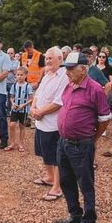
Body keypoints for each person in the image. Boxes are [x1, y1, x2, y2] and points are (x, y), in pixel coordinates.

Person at [54, 52, 112, 223]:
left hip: (82, 144)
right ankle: (75, 215)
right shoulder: (69, 85)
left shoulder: (95, 89)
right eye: (66, 69)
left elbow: (104, 119)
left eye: (71, 69)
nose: (67, 72)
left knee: (85, 184)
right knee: (66, 180)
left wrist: (92, 139)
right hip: (64, 142)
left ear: (83, 69)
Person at [30, 47, 66, 201]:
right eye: (46, 58)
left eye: (51, 58)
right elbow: (37, 94)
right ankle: (50, 177)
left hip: (53, 124)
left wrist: (40, 112)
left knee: (56, 156)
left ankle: (57, 187)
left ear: (60, 59)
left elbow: (58, 102)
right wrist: (33, 108)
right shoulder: (46, 75)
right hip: (41, 122)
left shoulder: (64, 76)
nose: (47, 61)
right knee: (44, 152)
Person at [6, 67, 34, 152]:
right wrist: (13, 103)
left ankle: (21, 144)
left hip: (24, 110)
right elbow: (11, 97)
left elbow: (31, 99)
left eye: (21, 75)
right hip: (15, 109)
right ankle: (12, 143)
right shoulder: (14, 85)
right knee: (12, 125)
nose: (19, 76)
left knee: (22, 126)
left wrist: (23, 105)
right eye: (18, 75)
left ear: (25, 75)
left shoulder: (28, 86)